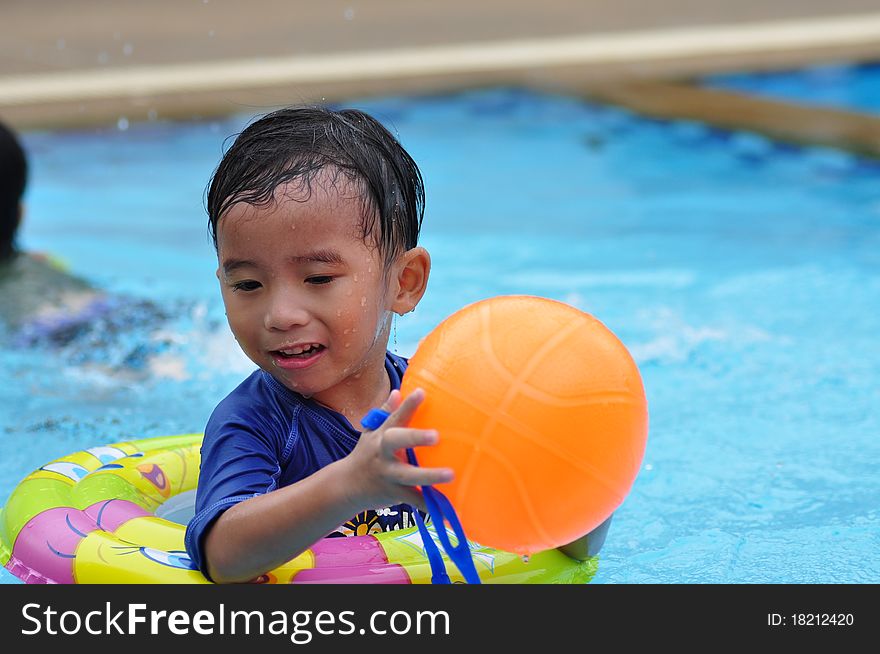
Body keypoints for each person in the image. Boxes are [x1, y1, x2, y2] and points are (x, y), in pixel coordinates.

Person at [185, 106, 606, 584]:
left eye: (318, 278)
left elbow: (571, 543)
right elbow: (222, 557)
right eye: (247, 285)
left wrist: (581, 465)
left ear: (403, 283)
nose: (280, 315)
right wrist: (351, 485)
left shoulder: (446, 405)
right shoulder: (253, 422)